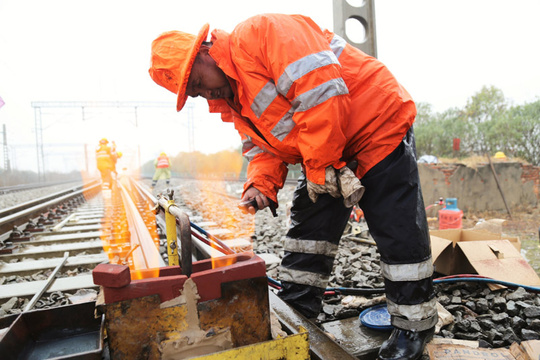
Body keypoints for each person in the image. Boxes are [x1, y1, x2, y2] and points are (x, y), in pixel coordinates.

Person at [149, 14, 436, 360]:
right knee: (308, 229)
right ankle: (298, 313)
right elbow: (263, 149)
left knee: (396, 228)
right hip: (330, 150)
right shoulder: (233, 102)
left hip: (375, 123)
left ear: (206, 52)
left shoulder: (260, 35)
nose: (205, 92)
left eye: (198, 81)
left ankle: (413, 328)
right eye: (195, 93)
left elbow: (321, 91)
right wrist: (261, 185)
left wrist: (318, 168)